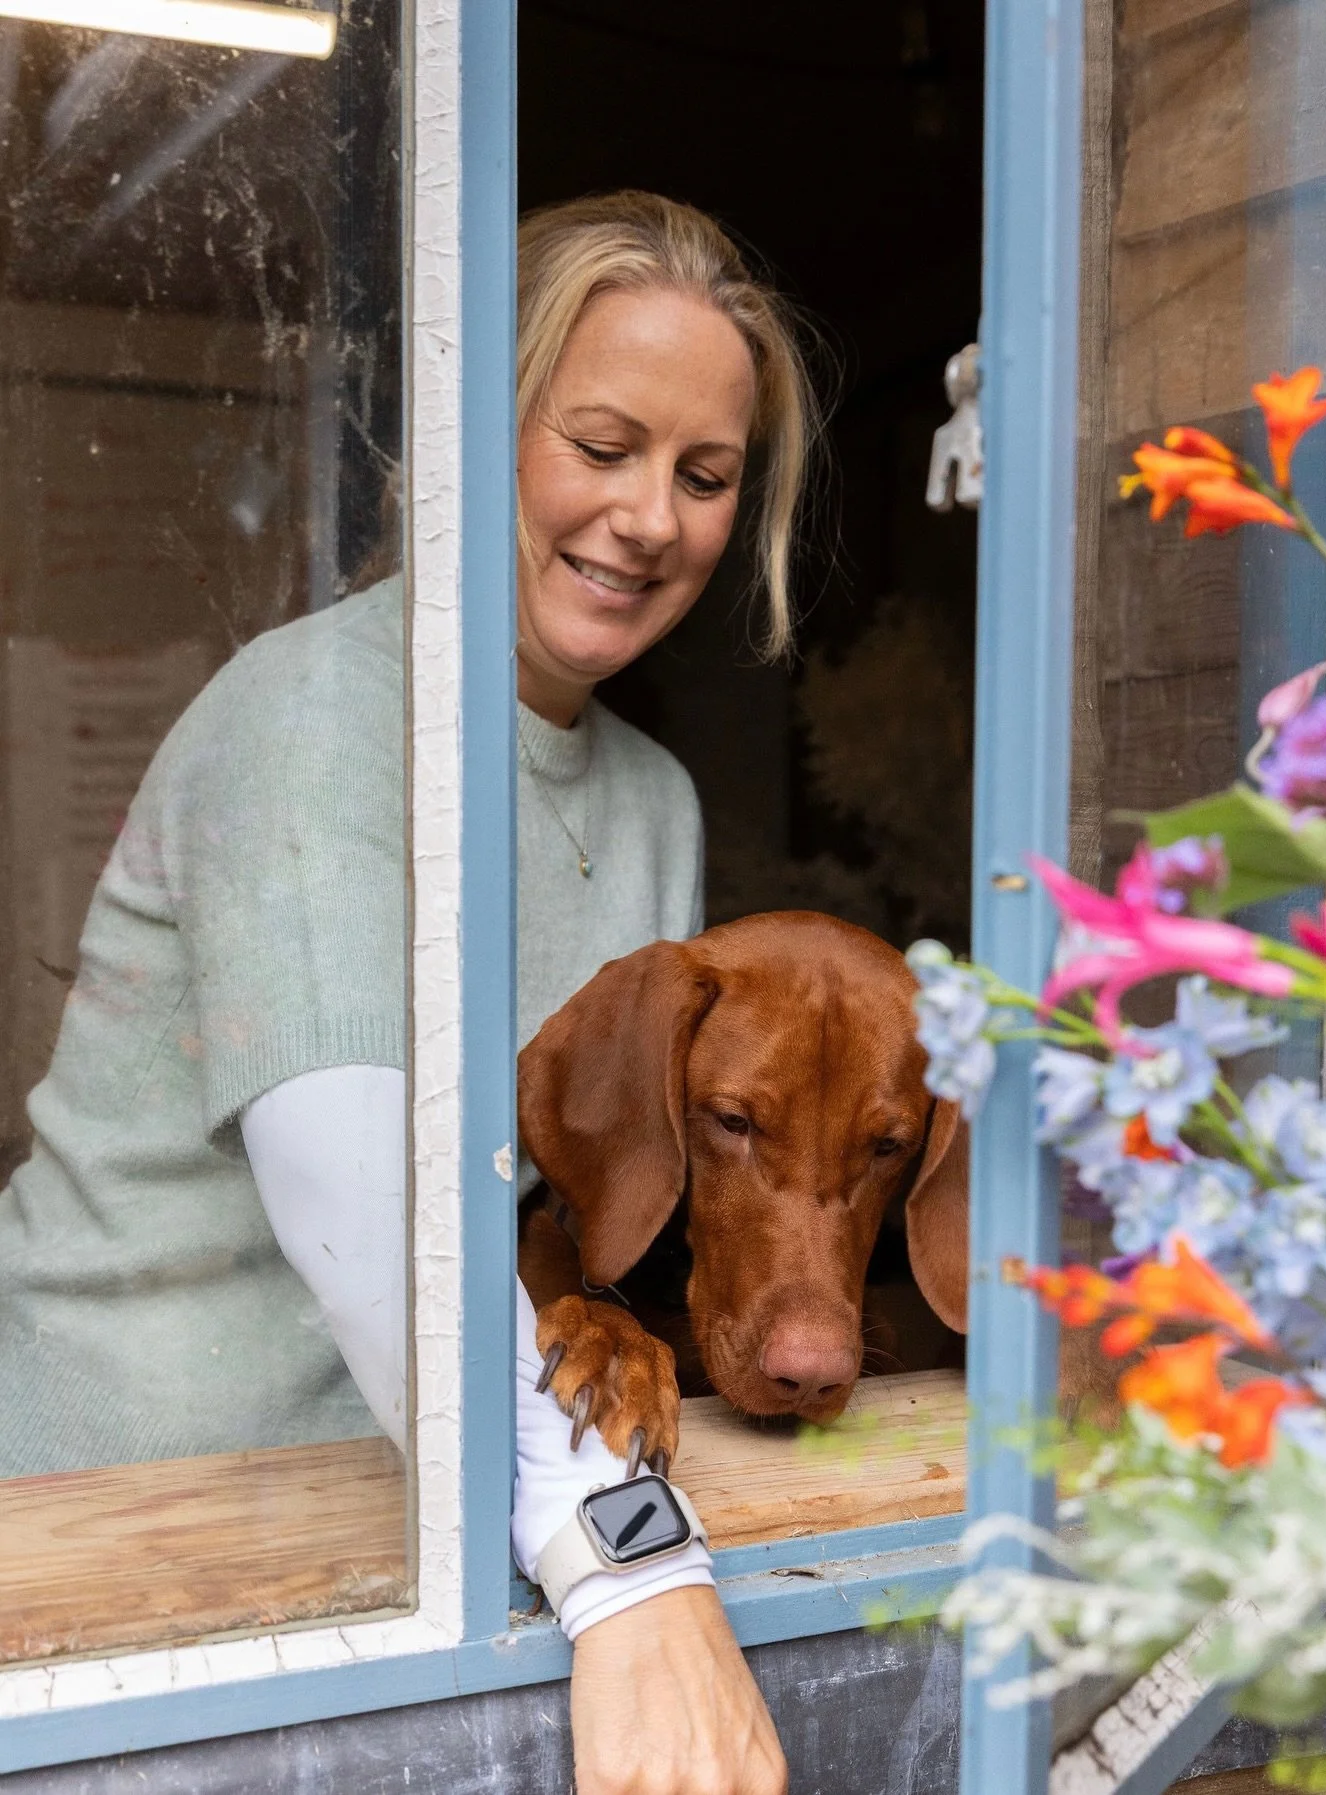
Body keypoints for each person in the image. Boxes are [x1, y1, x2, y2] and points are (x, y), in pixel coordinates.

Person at [0, 190, 820, 1793]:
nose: (649, 516)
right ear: (477, 424)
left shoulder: (651, 799)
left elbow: (572, 1213)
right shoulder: (316, 715)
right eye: (600, 444)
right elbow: (382, 1229)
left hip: (431, 1538)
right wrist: (641, 1570)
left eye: (705, 475)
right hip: (112, 1548)